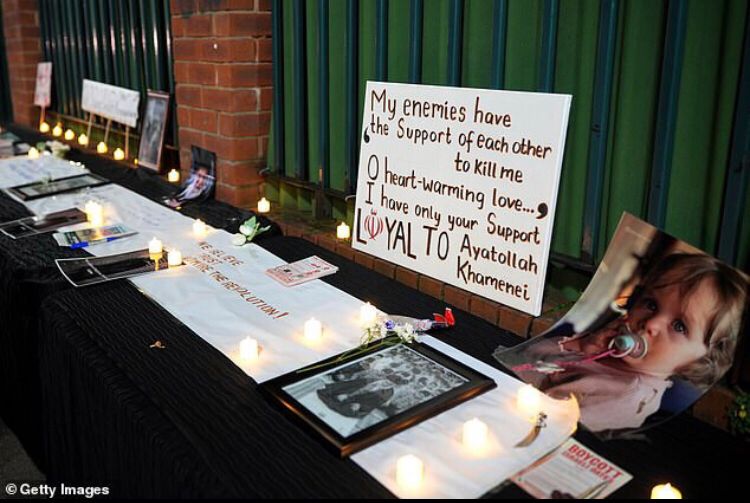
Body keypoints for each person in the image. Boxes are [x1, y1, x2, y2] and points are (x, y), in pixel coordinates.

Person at [512, 252, 747, 432]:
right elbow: (524, 358)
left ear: (701, 361)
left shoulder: (629, 397)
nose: (651, 323)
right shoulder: (602, 349)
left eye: (679, 326)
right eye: (651, 304)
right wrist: (580, 347)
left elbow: (557, 426)